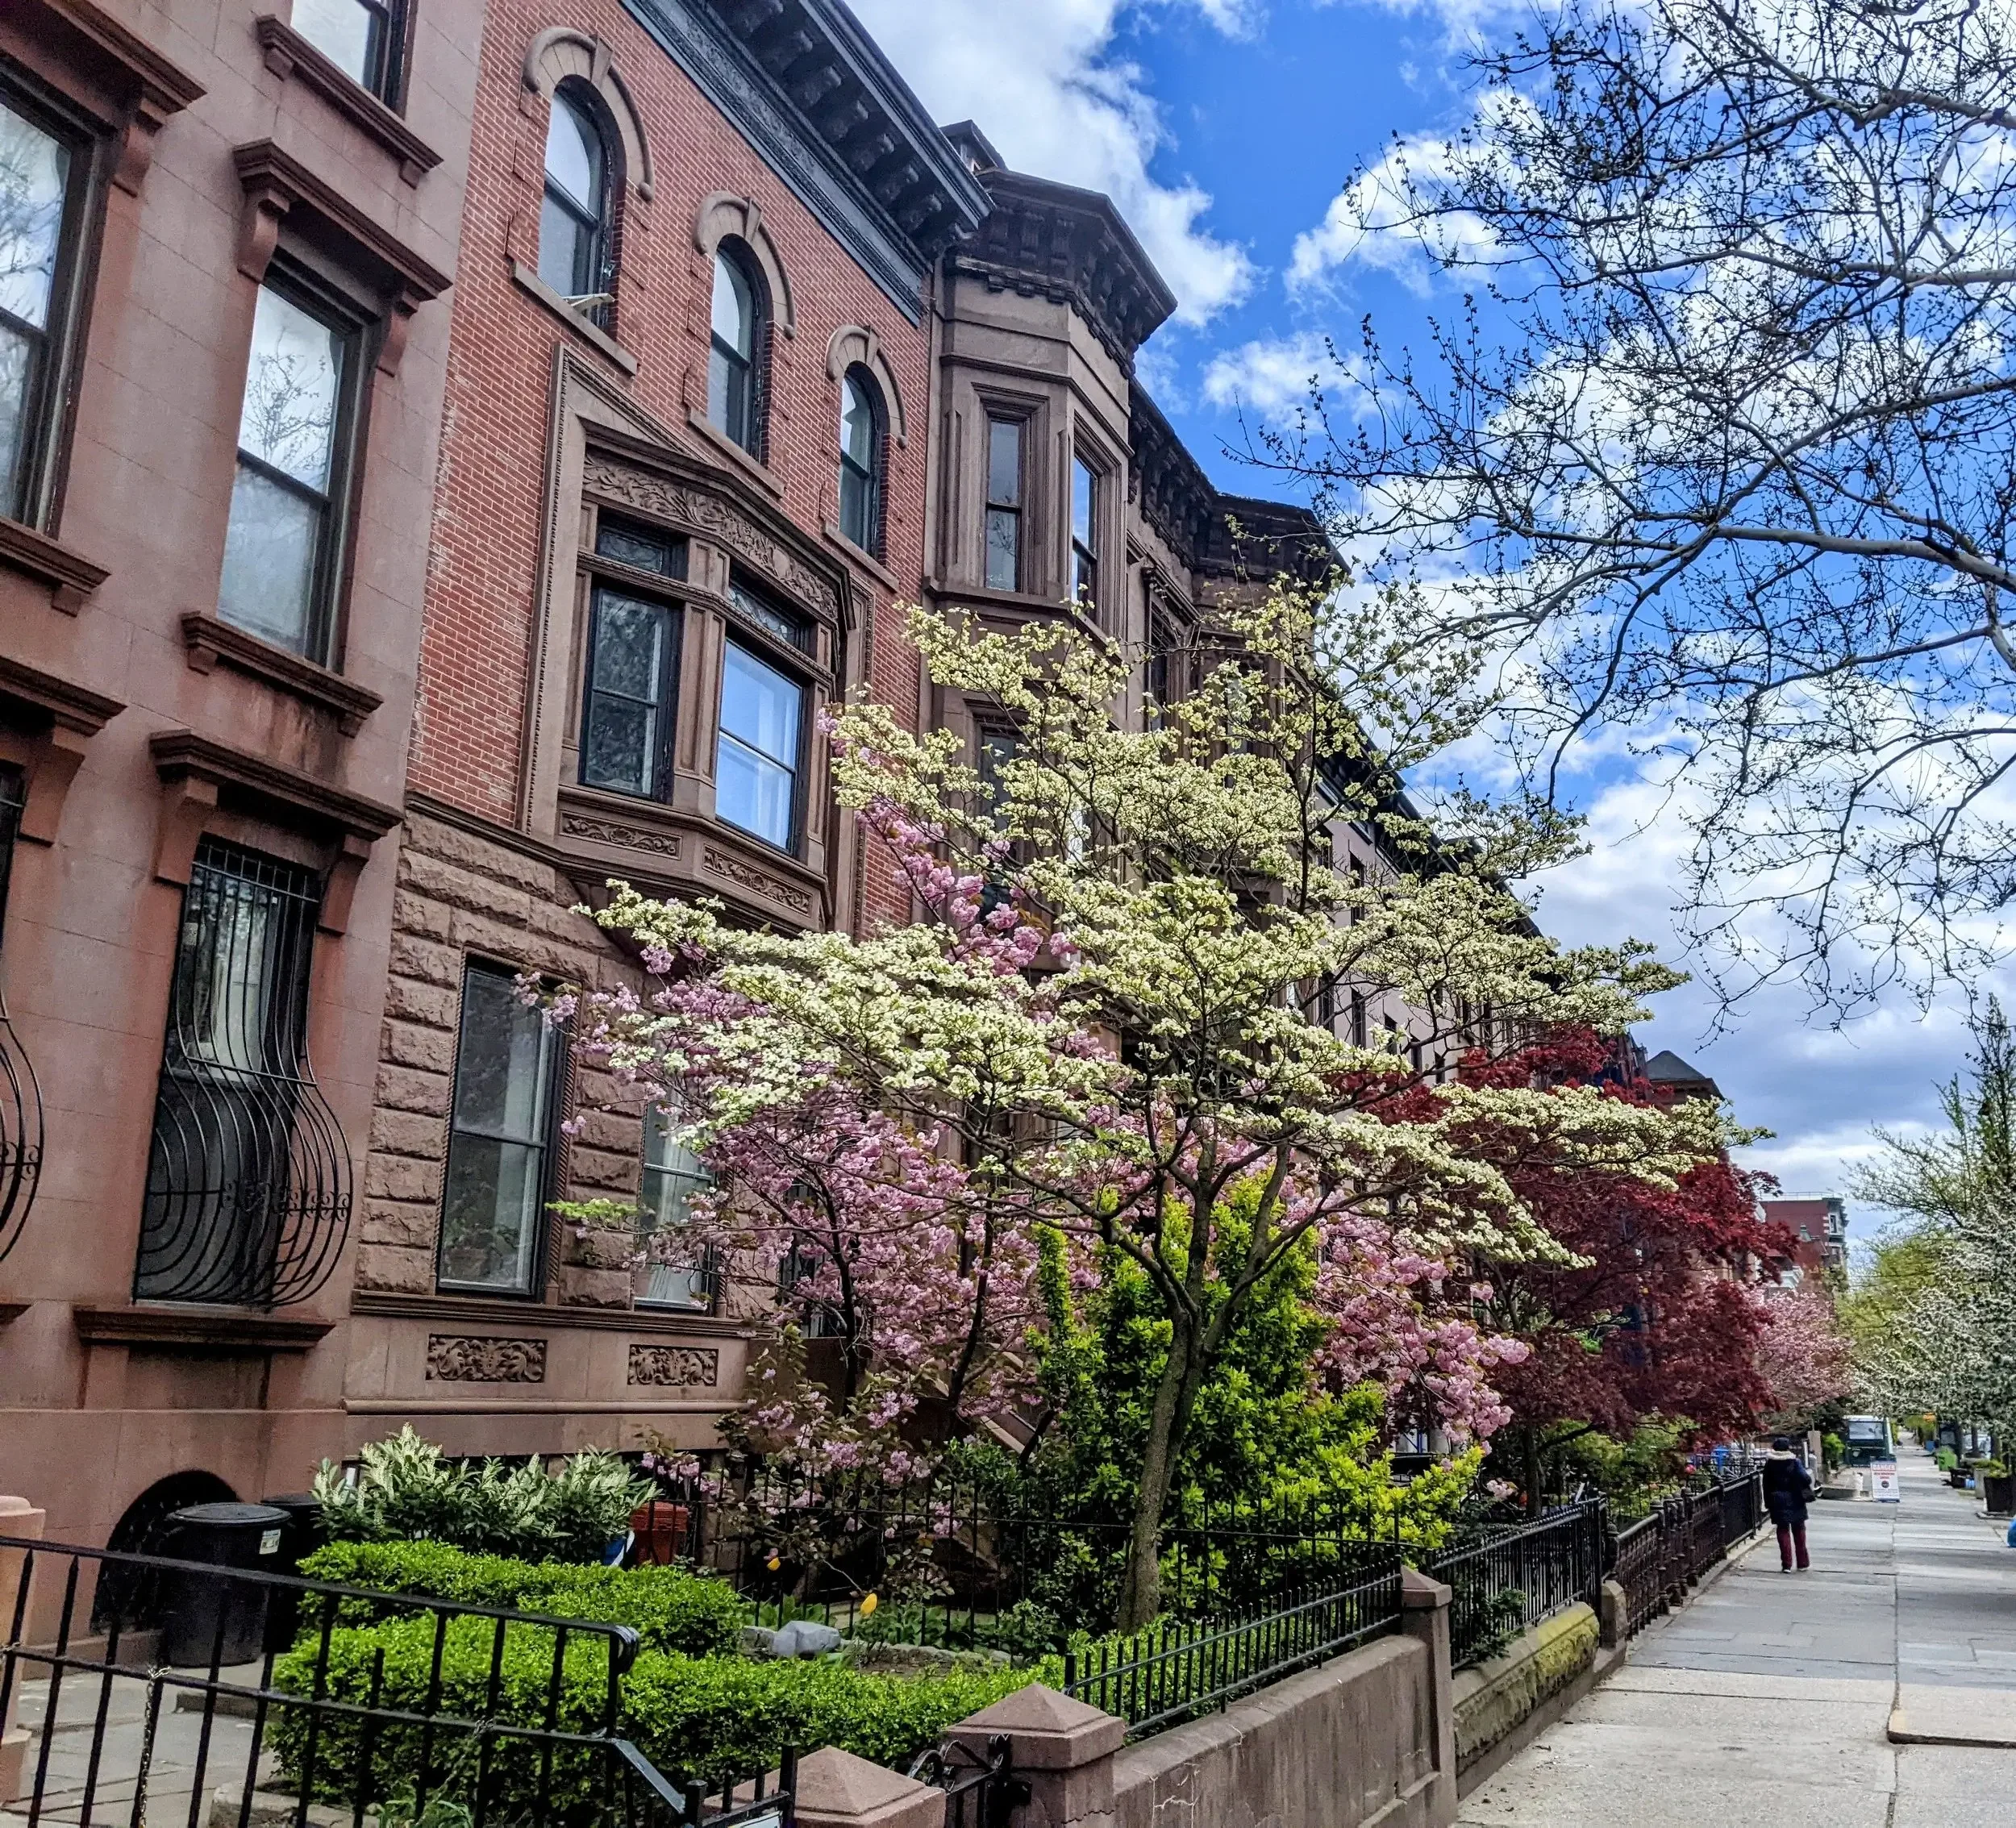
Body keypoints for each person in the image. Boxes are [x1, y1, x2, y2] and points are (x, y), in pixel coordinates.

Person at [1763, 1436, 1816, 1572]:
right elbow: (1806, 1478)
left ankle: (1786, 1564)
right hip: (1796, 1499)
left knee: (1782, 1531)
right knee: (1799, 1531)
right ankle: (1802, 1563)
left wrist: (1768, 1502)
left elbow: (1766, 1485)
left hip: (1777, 1500)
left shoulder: (1770, 1464)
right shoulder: (1795, 1462)